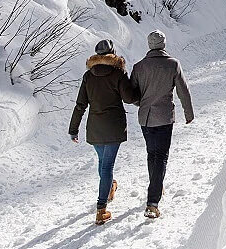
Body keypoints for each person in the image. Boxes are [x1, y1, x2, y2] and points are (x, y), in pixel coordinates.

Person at [69, 38, 139, 225]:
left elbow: (80, 104)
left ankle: (109, 189)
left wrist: (73, 129)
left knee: (102, 162)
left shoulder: (88, 76)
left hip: (95, 127)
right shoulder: (118, 73)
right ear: (113, 53)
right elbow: (129, 98)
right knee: (107, 166)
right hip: (114, 126)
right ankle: (101, 209)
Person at [130, 30, 194, 218]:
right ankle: (153, 202)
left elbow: (132, 94)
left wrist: (142, 103)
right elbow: (183, 90)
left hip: (146, 117)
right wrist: (188, 113)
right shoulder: (173, 64)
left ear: (149, 45)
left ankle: (156, 186)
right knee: (161, 156)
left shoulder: (139, 67)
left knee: (152, 154)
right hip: (165, 117)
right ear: (163, 44)